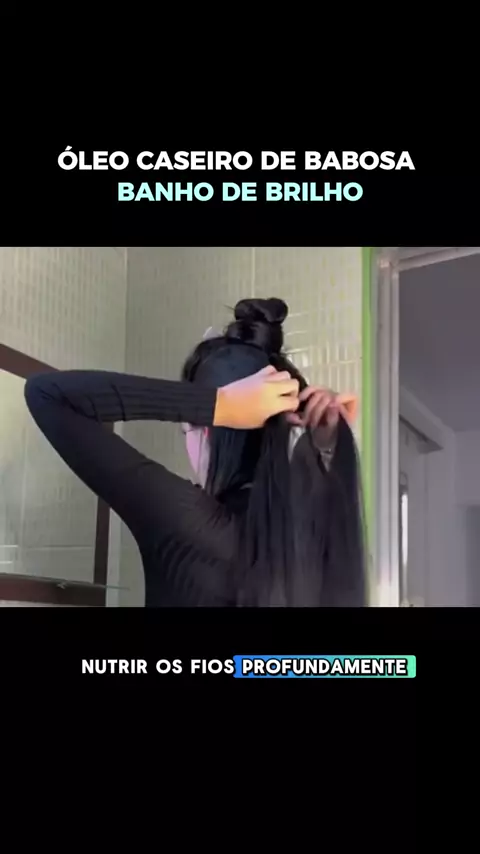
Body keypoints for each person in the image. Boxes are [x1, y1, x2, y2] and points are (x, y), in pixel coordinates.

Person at [24, 297, 366, 607]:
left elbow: (47, 394)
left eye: (187, 428)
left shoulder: (188, 521)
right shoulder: (319, 535)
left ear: (206, 431)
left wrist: (215, 405)